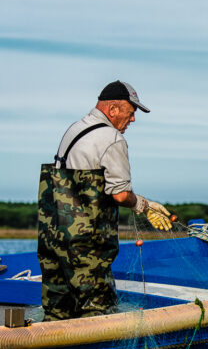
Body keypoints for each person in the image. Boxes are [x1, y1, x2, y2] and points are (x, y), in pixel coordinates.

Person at [38, 80, 172, 321]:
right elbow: (119, 194)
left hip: (54, 242)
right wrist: (145, 205)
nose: (132, 120)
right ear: (113, 109)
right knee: (100, 315)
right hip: (86, 246)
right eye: (131, 113)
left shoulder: (73, 130)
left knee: (57, 312)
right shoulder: (111, 138)